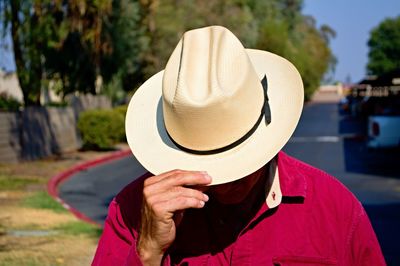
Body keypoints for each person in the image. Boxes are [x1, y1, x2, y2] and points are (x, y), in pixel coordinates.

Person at [92, 26, 385, 265]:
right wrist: (148, 251)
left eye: (234, 166)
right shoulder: (131, 211)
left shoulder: (336, 209)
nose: (222, 184)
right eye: (205, 168)